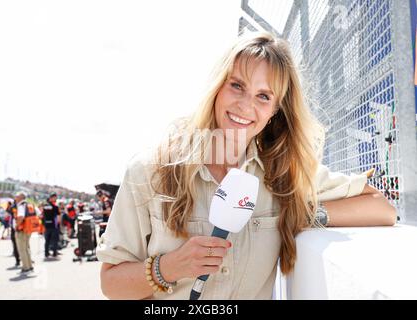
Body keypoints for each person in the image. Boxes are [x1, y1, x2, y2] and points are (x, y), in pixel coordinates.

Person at [97, 32, 397, 300]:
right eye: (237, 86)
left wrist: (300, 213)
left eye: (263, 96)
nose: (245, 105)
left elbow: (381, 208)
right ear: (218, 86)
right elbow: (111, 284)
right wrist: (171, 267)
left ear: (275, 110)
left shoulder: (283, 174)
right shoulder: (151, 170)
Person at [14, 191, 34, 273]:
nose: (15, 198)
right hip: (29, 229)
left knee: (22, 249)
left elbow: (21, 216)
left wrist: (16, 225)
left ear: (21, 197)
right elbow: (39, 214)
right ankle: (30, 266)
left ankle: (25, 267)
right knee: (26, 248)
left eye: (17, 196)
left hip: (22, 230)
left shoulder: (21, 206)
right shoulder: (30, 205)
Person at [41, 193, 60, 258]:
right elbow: (58, 217)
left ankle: (46, 253)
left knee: (47, 240)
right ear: (51, 198)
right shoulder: (55, 207)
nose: (56, 199)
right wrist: (58, 225)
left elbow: (42, 215)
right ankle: (54, 253)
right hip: (54, 226)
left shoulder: (44, 206)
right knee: (54, 240)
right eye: (55, 198)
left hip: (46, 225)